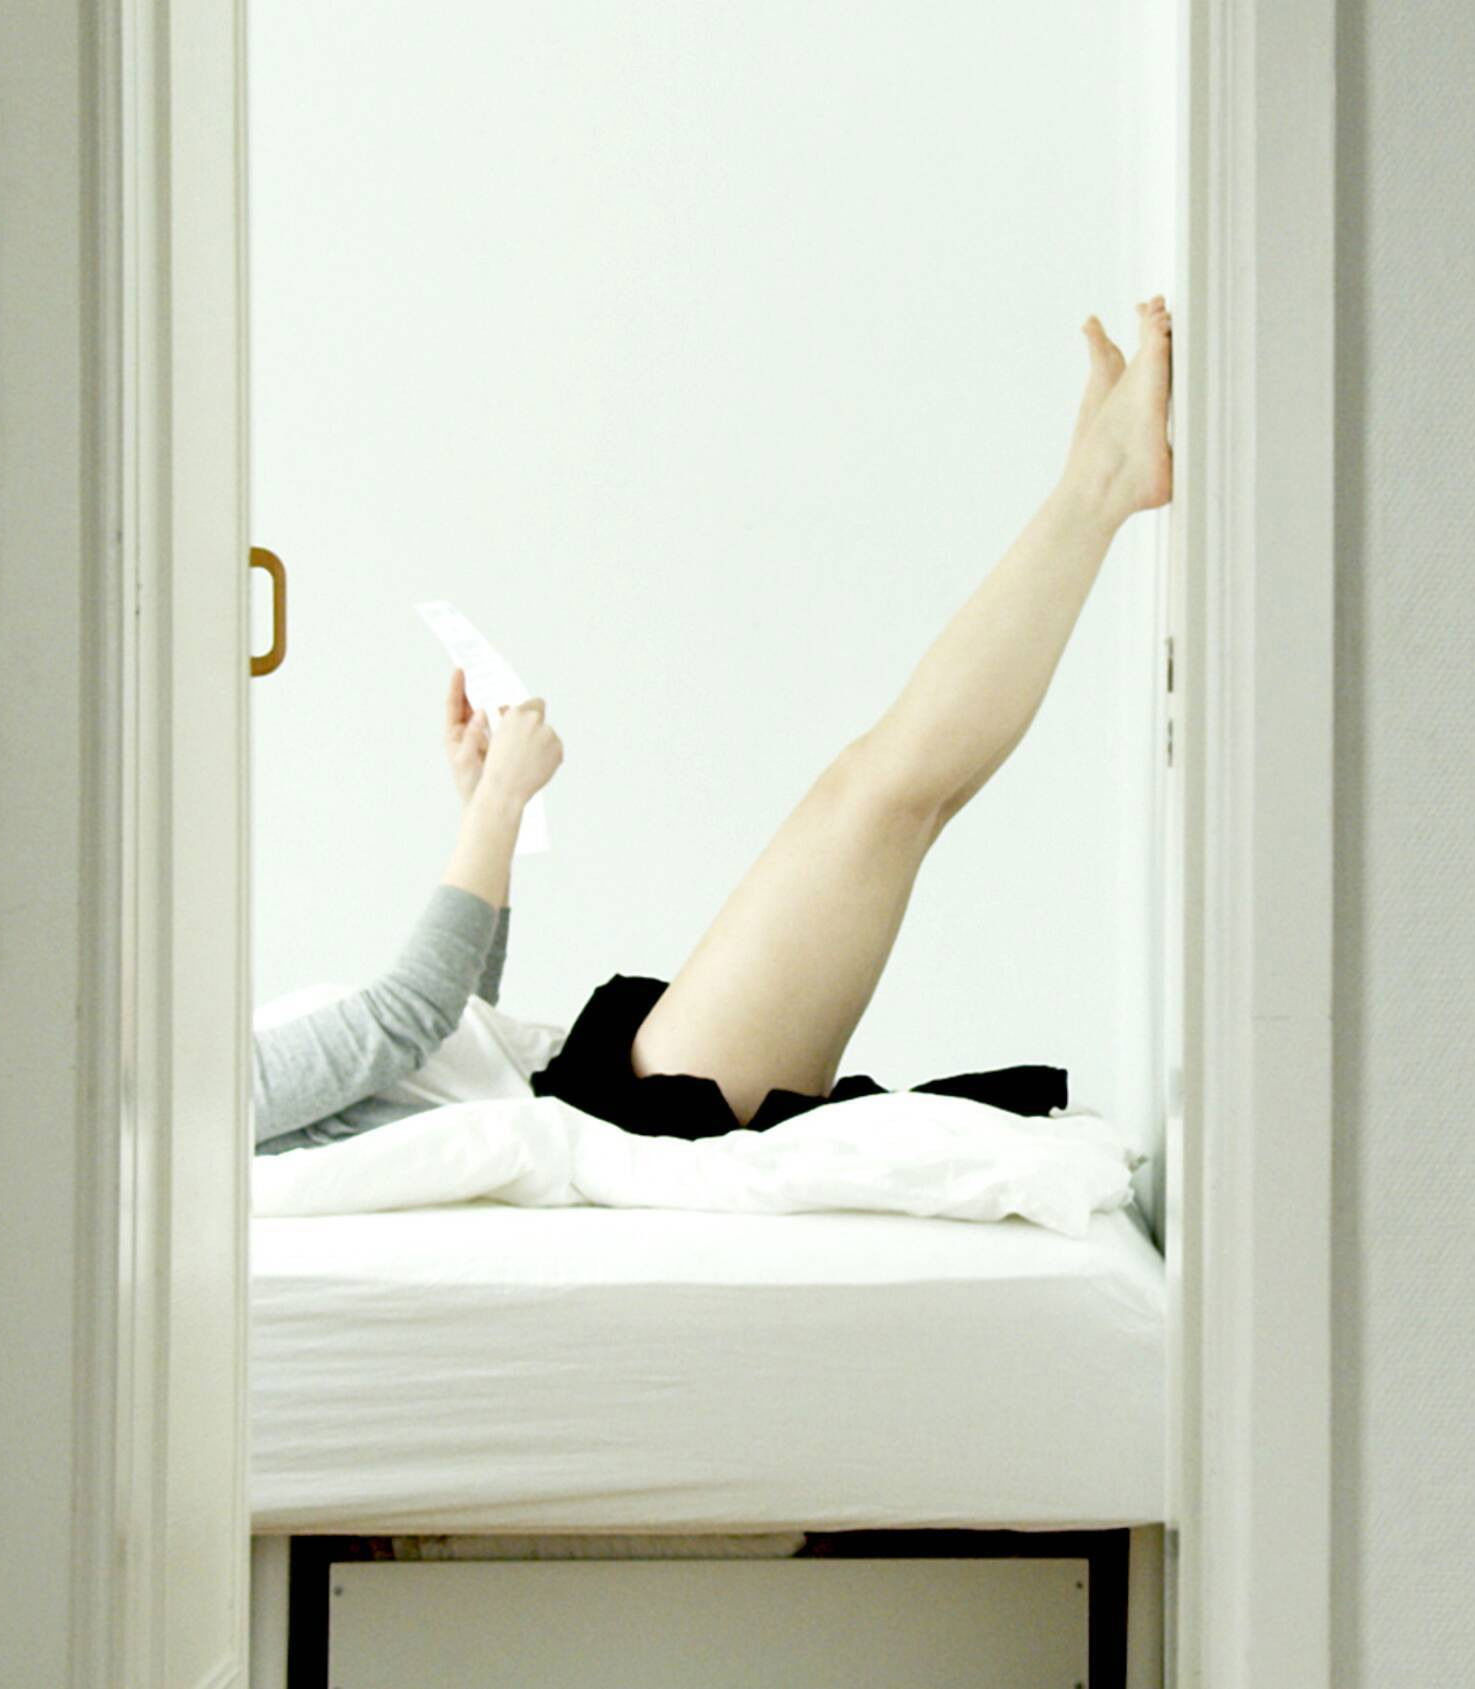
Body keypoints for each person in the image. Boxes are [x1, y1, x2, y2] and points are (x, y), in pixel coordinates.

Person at [252, 297, 1174, 1154]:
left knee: (897, 803)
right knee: (878, 795)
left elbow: (456, 1035)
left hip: (587, 1083)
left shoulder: (203, 1071)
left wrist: (484, 809)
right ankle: (1102, 485)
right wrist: (496, 805)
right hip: (615, 1108)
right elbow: (407, 1018)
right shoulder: (207, 1090)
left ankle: (1097, 484)